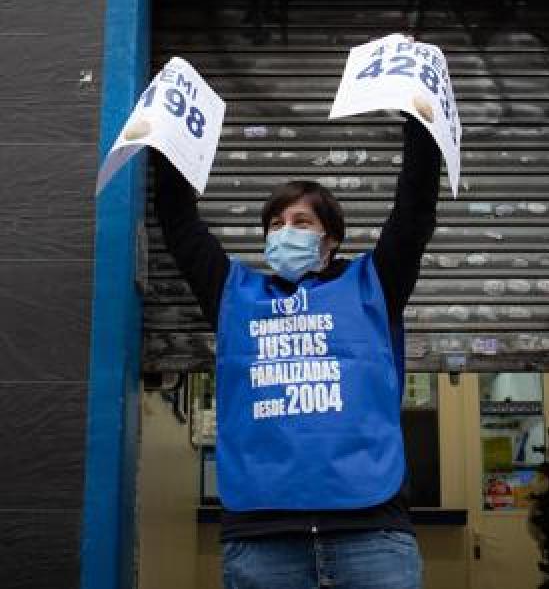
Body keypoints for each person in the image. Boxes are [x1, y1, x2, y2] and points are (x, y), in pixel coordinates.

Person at [153, 113, 441, 589]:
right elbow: (180, 224)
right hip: (262, 541)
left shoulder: (374, 283)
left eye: (301, 221)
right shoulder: (233, 293)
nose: (284, 231)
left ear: (331, 238)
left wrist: (418, 114)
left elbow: (414, 212)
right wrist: (169, 132)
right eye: (275, 224)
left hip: (371, 533)